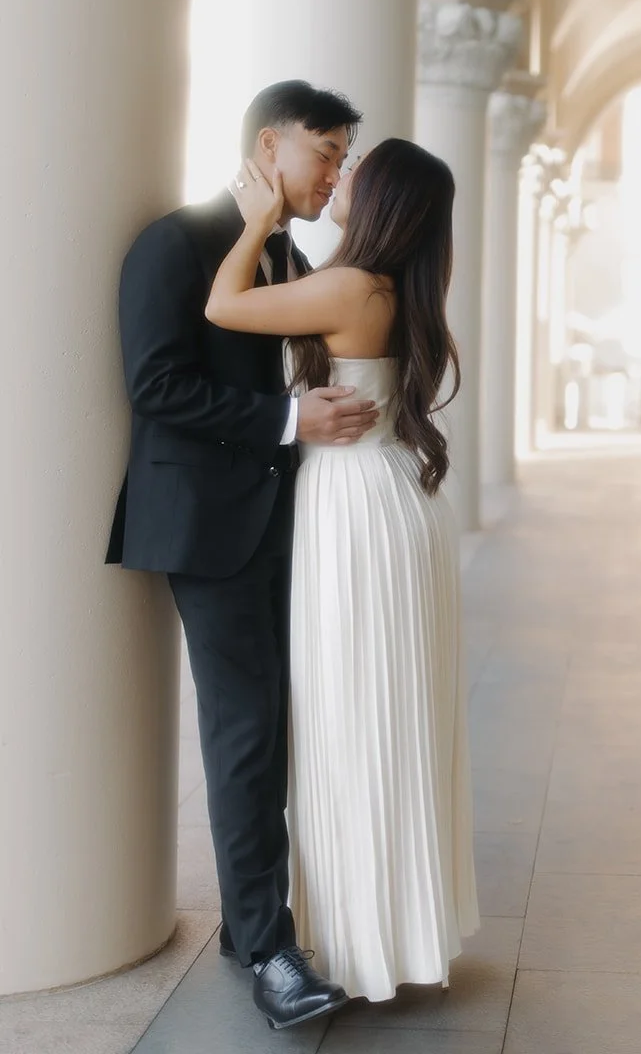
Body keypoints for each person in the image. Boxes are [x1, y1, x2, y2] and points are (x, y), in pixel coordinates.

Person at [108, 81, 379, 1033]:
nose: (335, 172)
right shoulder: (174, 242)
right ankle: (267, 948)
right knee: (245, 730)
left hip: (280, 517)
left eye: (346, 157)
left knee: (273, 723)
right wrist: (288, 418)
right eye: (326, 153)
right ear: (269, 147)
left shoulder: (287, 253)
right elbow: (155, 385)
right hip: (205, 527)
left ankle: (252, 929)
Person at [205, 136, 479, 1003]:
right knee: (391, 713)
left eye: (358, 169)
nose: (341, 175)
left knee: (349, 713)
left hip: (352, 505)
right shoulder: (396, 286)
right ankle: (396, 931)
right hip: (398, 497)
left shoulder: (351, 287)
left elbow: (223, 305)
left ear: (386, 197)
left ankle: (360, 944)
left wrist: (252, 225)